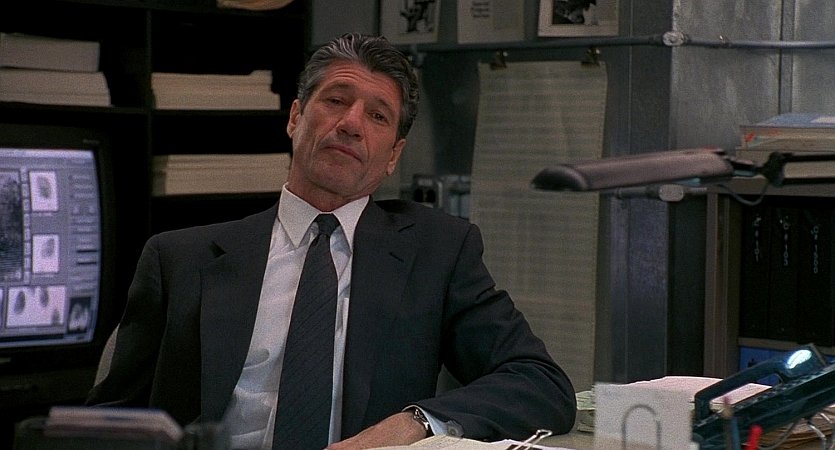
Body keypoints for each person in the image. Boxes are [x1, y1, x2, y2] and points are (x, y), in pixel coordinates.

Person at [86, 32, 576, 449]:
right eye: (336, 101)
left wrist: (414, 424)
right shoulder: (181, 259)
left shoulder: (438, 253)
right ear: (295, 117)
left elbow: (541, 384)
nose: (351, 124)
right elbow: (103, 429)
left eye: (378, 116)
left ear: (393, 155)